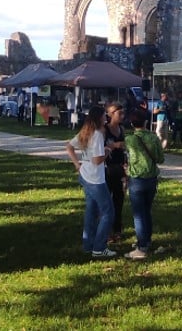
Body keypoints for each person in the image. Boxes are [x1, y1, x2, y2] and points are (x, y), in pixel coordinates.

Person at [65, 105, 114, 258]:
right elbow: (97, 160)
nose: (106, 117)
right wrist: (108, 150)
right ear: (99, 118)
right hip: (95, 178)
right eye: (104, 115)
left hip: (85, 174)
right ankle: (99, 247)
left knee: (91, 210)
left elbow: (69, 147)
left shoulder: (86, 131)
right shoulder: (98, 135)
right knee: (108, 212)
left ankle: (88, 244)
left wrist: (77, 165)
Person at [124, 107, 164, 260]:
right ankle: (146, 240)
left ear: (132, 124)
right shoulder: (153, 138)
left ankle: (142, 247)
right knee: (146, 211)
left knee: (138, 215)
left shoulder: (130, 139)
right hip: (151, 178)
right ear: (146, 122)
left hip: (136, 179)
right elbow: (160, 159)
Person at [103, 103, 129, 243]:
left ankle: (117, 230)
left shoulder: (121, 129)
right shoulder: (104, 130)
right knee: (106, 202)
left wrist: (126, 164)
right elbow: (97, 148)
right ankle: (105, 232)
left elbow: (124, 149)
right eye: (119, 113)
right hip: (107, 168)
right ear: (110, 114)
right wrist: (113, 145)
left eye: (123, 113)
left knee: (118, 200)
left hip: (119, 168)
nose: (122, 116)